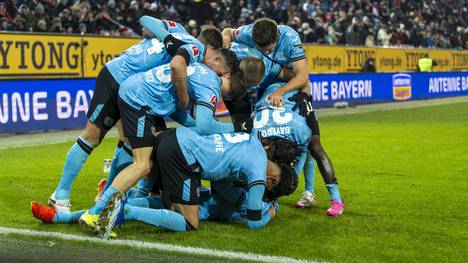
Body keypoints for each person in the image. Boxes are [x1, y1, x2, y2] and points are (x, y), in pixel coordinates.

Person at [47, 19, 228, 212]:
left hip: (137, 92)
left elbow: (145, 23)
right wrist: (185, 102)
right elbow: (165, 51)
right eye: (215, 57)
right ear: (209, 48)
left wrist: (158, 35)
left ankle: (108, 193)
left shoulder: (179, 29)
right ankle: (60, 194)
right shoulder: (195, 50)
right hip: (117, 77)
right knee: (92, 137)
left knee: (135, 143)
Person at [79, 59, 246, 231]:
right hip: (139, 101)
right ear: (228, 97)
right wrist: (238, 127)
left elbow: (177, 112)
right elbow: (205, 126)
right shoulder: (212, 88)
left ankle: (115, 197)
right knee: (142, 165)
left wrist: (193, 124)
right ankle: (96, 211)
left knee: (150, 159)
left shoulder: (202, 70)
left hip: (139, 93)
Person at [98, 127, 298, 238]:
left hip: (173, 135)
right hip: (184, 157)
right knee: (189, 222)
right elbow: (254, 224)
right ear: (270, 181)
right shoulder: (257, 176)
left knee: (169, 207)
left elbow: (220, 180)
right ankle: (124, 211)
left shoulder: (251, 140)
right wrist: (270, 214)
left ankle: (94, 211)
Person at [253, 82, 344, 216]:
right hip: (273, 102)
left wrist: (288, 178)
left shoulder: (299, 130)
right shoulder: (256, 135)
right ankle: (303, 194)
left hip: (297, 105)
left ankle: (335, 199)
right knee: (270, 162)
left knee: (314, 147)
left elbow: (301, 152)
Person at [222, 18, 309, 107]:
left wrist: (279, 92)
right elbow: (228, 32)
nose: (265, 53)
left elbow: (302, 77)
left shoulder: (291, 39)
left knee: (305, 91)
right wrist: (225, 44)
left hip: (284, 78)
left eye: (269, 50)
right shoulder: (248, 32)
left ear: (277, 36)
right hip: (260, 74)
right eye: (260, 49)